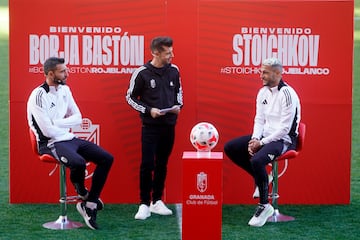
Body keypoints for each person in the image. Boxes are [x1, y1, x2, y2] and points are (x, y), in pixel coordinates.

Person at [27, 57, 114, 230]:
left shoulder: (65, 89)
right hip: (49, 143)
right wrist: (60, 124)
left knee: (107, 158)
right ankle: (82, 192)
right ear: (51, 74)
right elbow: (47, 131)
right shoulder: (38, 96)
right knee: (78, 163)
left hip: (68, 138)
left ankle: (89, 203)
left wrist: (56, 121)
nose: (67, 74)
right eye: (62, 71)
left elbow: (78, 118)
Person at [224, 57, 301, 227]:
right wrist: (255, 139)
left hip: (284, 140)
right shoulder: (263, 92)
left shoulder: (287, 94)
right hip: (265, 137)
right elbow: (259, 119)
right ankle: (262, 179)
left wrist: (262, 142)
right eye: (261, 71)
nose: (261, 75)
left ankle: (265, 206)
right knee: (230, 148)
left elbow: (284, 129)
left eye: (265, 72)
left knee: (257, 160)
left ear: (278, 73)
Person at [126, 36, 183, 220]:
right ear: (156, 53)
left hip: (169, 126)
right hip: (150, 127)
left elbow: (179, 94)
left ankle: (157, 201)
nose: (171, 55)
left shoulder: (174, 70)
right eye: (168, 53)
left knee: (162, 164)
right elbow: (130, 98)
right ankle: (144, 203)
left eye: (171, 51)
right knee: (147, 164)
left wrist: (178, 107)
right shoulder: (141, 73)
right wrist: (149, 110)